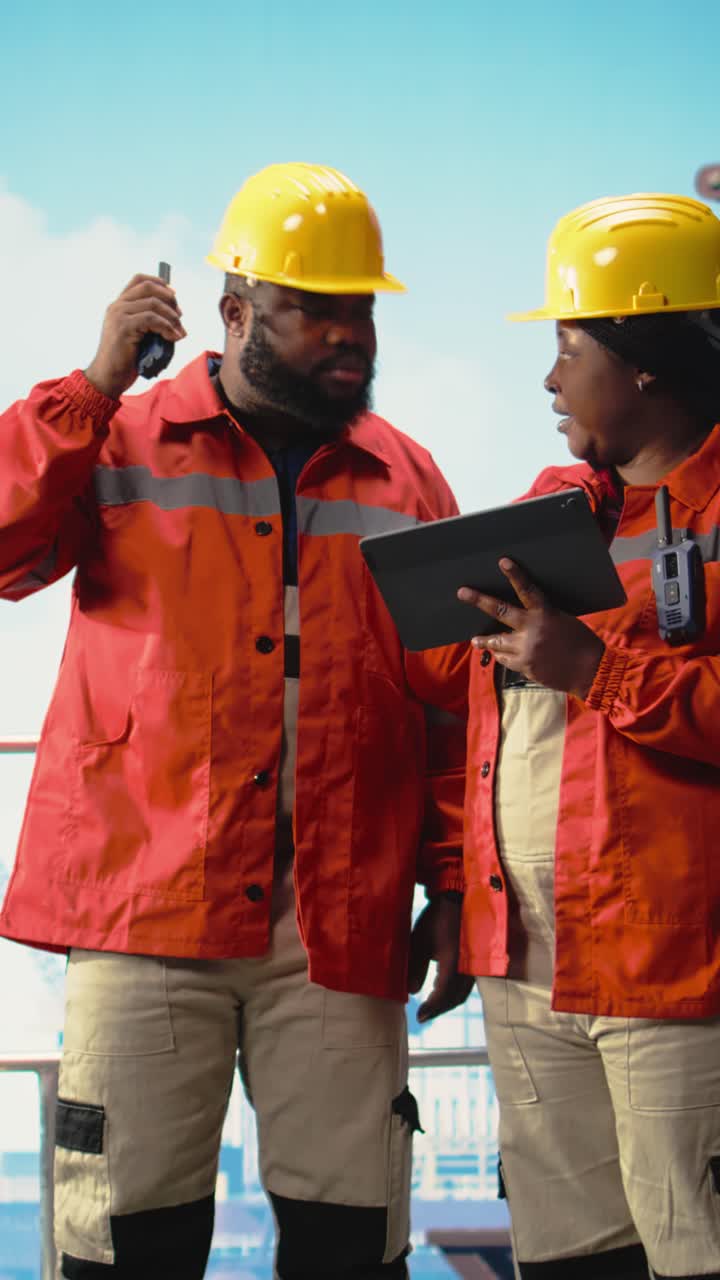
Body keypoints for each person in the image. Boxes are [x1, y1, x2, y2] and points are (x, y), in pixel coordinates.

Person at [0, 162, 472, 1279]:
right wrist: (91, 382)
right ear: (234, 312)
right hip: (145, 900)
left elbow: (456, 706)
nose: (347, 335)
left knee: (352, 1240)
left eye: (360, 310)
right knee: (125, 1237)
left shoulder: (407, 481)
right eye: (315, 310)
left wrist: (451, 886)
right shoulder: (115, 434)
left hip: (339, 927)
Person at [457, 193, 720, 1279]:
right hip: (527, 972)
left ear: (646, 364)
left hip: (679, 976)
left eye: (570, 348)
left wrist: (599, 669)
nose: (552, 379)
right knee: (569, 1259)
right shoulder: (565, 518)